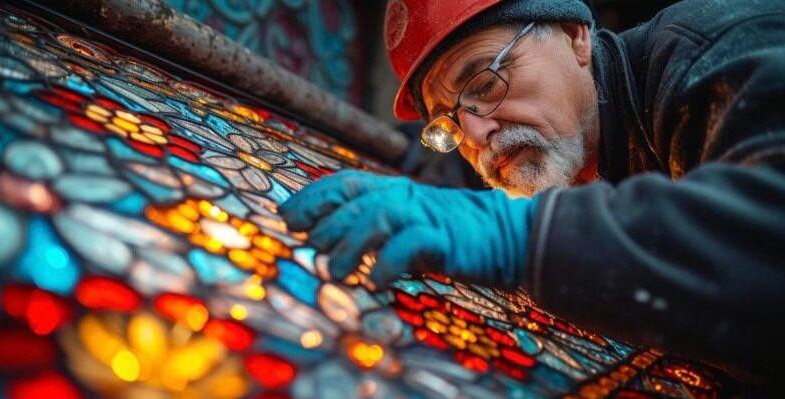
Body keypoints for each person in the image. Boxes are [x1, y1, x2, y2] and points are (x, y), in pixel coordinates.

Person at [280, 0, 785, 386]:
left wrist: (515, 236)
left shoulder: (712, 50)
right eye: (448, 124)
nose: (476, 137)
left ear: (575, 37)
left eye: (484, 82)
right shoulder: (556, 146)